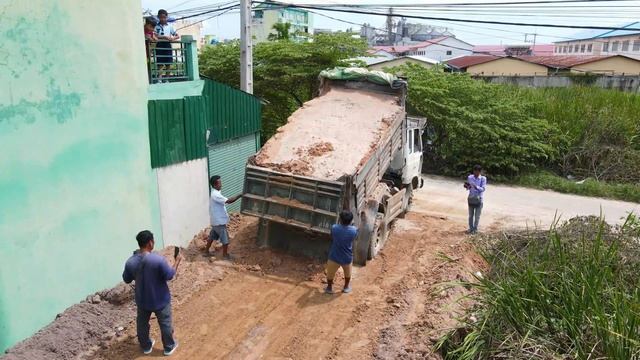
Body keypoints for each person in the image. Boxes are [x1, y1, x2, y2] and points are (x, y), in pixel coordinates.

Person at [123, 230, 181, 356]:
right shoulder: (157, 260)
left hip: (142, 299)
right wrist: (176, 262)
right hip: (160, 299)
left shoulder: (130, 262)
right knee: (165, 322)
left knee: (142, 323)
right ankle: (169, 347)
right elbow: (170, 275)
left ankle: (145, 346)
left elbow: (126, 279)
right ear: (150, 243)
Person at [205, 175, 242, 260]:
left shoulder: (215, 193)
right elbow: (229, 201)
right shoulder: (216, 195)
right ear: (215, 185)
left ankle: (206, 252)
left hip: (215, 221)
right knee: (225, 239)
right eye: (220, 183)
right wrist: (240, 195)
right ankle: (225, 255)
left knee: (212, 236)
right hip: (219, 222)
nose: (221, 185)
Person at [325, 210, 358, 294]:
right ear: (351, 221)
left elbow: (331, 236)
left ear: (340, 219)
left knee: (330, 273)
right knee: (348, 273)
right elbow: (354, 238)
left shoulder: (334, 228)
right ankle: (346, 287)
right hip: (347, 257)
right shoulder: (354, 230)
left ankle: (329, 288)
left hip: (334, 256)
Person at [154, 9, 179, 82]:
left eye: (164, 17)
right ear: (158, 17)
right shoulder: (156, 26)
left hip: (167, 45)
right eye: (161, 17)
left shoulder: (170, 26)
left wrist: (172, 38)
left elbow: (177, 36)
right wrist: (164, 37)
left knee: (168, 63)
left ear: (166, 17)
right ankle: (159, 79)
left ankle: (167, 79)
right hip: (159, 45)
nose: (162, 19)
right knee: (160, 63)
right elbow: (154, 35)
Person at [464, 165, 487, 234]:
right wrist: (467, 186)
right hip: (471, 198)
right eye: (474, 171)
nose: (475, 173)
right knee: (470, 215)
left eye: (476, 171)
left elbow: (483, 189)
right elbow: (469, 188)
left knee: (477, 216)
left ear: (480, 172)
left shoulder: (483, 179)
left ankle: (475, 229)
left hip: (479, 199)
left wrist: (476, 187)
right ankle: (471, 229)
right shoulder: (470, 177)